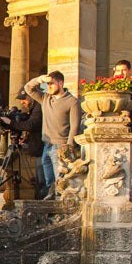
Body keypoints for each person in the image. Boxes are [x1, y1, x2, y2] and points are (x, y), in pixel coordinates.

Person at [25, 72, 80, 200]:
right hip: (47, 145)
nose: (48, 86)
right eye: (47, 84)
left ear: (60, 83)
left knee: (60, 178)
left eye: (51, 83)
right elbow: (28, 88)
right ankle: (52, 196)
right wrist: (40, 79)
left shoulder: (72, 102)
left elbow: (75, 126)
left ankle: (61, 202)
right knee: (49, 179)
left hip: (61, 145)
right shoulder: (45, 99)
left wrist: (69, 146)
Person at [3, 91, 44, 196]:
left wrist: (11, 123)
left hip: (41, 149)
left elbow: (31, 125)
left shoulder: (39, 107)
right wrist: (25, 140)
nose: (22, 102)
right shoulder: (33, 108)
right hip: (36, 147)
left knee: (41, 180)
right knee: (40, 179)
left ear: (31, 96)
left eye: (23, 98)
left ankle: (42, 203)